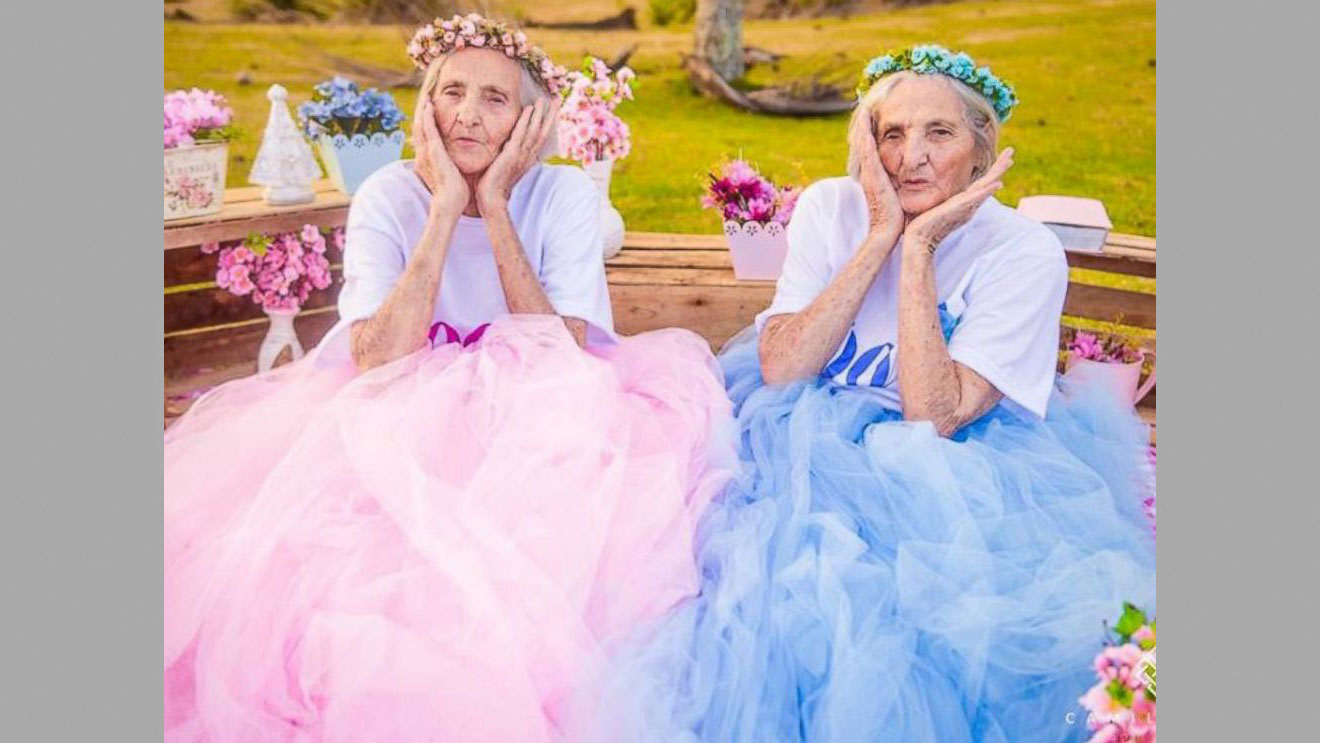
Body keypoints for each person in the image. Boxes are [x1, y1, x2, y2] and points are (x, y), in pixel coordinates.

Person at [163, 14, 734, 742]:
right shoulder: (388, 198)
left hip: (540, 414)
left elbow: (561, 352)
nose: (466, 113)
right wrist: (441, 212)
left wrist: (492, 205)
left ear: (531, 121)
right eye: (450, 91)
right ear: (425, 105)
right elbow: (380, 356)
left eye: (495, 99)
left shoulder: (562, 199)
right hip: (397, 407)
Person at [587, 46, 1156, 743]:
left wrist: (918, 251)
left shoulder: (1022, 252)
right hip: (793, 437)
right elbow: (785, 367)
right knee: (715, 582)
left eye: (938, 134)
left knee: (892, 626)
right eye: (891, 133)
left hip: (951, 473)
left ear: (982, 153)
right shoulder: (833, 207)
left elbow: (933, 415)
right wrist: (881, 233)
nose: (909, 156)